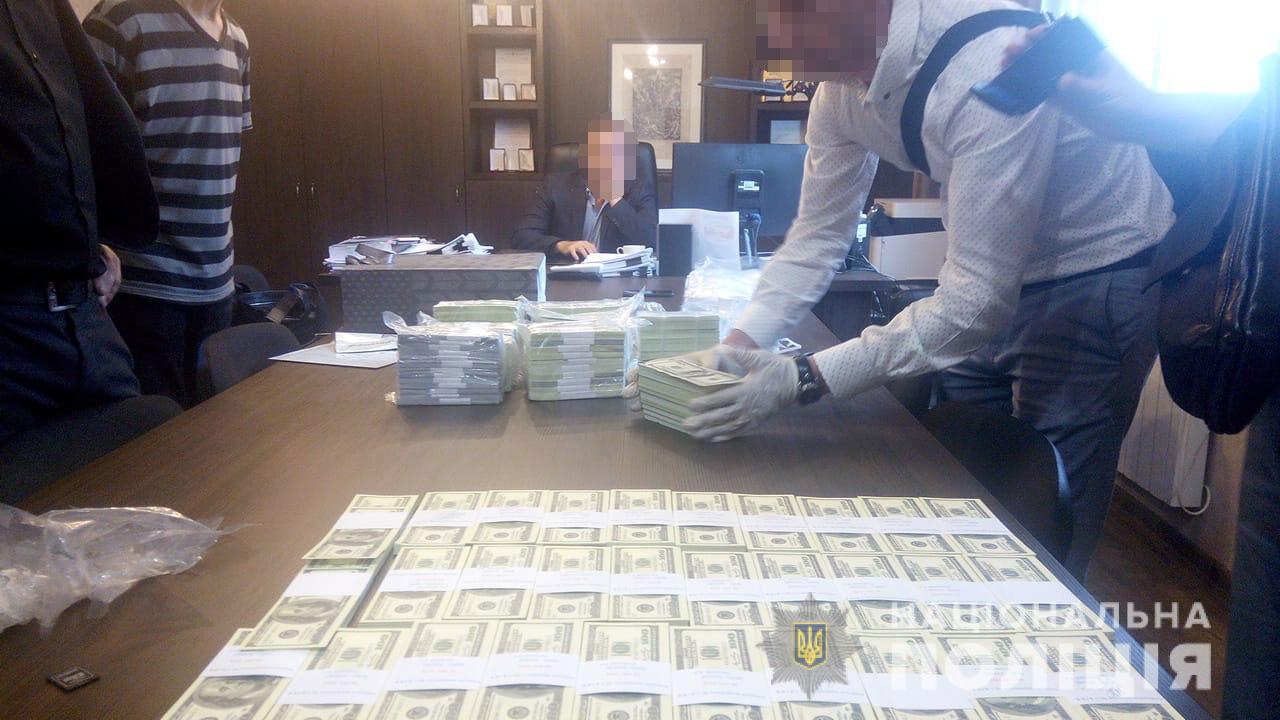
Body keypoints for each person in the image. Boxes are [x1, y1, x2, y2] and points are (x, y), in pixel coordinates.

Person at [675, 0, 1176, 578]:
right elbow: (815, 241)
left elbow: (975, 304)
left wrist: (805, 377)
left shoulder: (985, 61)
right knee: (955, 497)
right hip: (993, 275)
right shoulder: (837, 95)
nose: (773, 35)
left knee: (1044, 543)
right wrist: (736, 348)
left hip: (1097, 271)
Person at [1004, 29, 1274, 720]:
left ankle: (1033, 680)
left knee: (1052, 526)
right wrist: (1150, 114)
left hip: (1100, 278)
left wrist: (1149, 114)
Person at [0, 0, 157, 447]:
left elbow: (60, 123)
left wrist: (91, 240)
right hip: (10, 324)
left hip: (85, 316)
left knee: (143, 472)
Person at [83, 0, 252, 407]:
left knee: (221, 435)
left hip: (217, 284)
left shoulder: (239, 41)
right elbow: (75, 149)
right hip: (145, 288)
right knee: (161, 437)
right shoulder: (121, 22)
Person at [512, 117, 658, 262]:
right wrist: (562, 245)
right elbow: (523, 237)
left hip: (617, 273)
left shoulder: (639, 189)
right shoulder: (555, 186)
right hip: (567, 271)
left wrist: (615, 199)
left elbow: (651, 240)